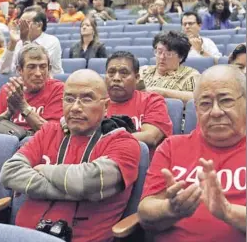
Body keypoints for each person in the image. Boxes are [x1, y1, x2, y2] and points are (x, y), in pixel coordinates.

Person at [0, 69, 140, 242]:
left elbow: (88, 183)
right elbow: (9, 173)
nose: (75, 107)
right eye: (69, 99)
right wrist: (69, 187)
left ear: (106, 106)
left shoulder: (123, 142)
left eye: (87, 99)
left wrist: (44, 170)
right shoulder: (49, 131)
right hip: (22, 236)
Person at [138, 65, 246, 242]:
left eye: (226, 100)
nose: (216, 112)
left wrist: (227, 212)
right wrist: (170, 210)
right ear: (196, 110)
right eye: (205, 103)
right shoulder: (171, 147)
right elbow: (144, 213)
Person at [105, 51, 172, 155]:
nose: (116, 78)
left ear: (136, 78)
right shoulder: (97, 102)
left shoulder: (152, 100)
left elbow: (150, 137)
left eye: (124, 73)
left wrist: (103, 140)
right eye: (111, 72)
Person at [0, 44, 63, 132]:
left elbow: (52, 133)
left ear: (49, 69)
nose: (38, 73)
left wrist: (23, 107)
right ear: (19, 70)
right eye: (31, 67)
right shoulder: (9, 89)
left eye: (43, 67)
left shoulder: (58, 89)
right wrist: (8, 113)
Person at [0, 7, 63, 75]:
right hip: (22, 82)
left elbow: (35, 68)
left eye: (25, 23)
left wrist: (25, 40)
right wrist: (12, 43)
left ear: (39, 25)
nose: (20, 26)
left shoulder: (52, 41)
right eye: (20, 22)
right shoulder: (18, 42)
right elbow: (3, 70)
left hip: (48, 82)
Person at [139, 31, 200, 104]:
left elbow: (198, 98)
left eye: (168, 54)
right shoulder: (143, 70)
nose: (162, 57)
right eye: (159, 52)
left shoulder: (190, 75)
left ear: (181, 57)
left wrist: (162, 93)